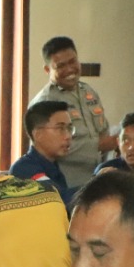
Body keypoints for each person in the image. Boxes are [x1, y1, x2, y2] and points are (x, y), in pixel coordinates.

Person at [28, 36, 115, 182]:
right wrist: (98, 146)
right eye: (61, 66)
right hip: (64, 183)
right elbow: (47, 148)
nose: (69, 69)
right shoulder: (45, 102)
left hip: (96, 179)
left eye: (72, 61)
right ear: (47, 69)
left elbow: (104, 132)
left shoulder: (88, 92)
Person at [10, 101, 77, 205]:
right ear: (38, 135)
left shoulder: (53, 164)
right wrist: (97, 184)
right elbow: (57, 200)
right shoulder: (24, 168)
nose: (68, 136)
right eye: (60, 128)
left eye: (69, 128)